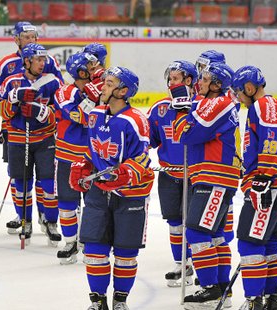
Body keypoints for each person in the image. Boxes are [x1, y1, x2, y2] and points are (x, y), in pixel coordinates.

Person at [69, 66, 154, 310]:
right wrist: (81, 165)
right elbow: (92, 148)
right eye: (105, 82)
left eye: (109, 83)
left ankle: (120, 300)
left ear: (123, 91)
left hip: (130, 194)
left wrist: (126, 173)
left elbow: (143, 157)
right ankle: (97, 300)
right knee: (95, 249)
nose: (103, 87)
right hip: (98, 190)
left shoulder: (136, 120)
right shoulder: (95, 114)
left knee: (126, 254)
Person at [232, 66, 277, 310]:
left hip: (268, 187)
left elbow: (273, 140)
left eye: (239, 92)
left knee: (249, 242)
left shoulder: (263, 106)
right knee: (267, 244)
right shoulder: (266, 106)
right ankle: (272, 299)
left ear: (250, 88)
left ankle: (254, 302)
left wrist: (262, 178)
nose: (238, 97)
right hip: (276, 185)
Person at [0, 21, 63, 237]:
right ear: (16, 39)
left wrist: (48, 114)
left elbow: (62, 97)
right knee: (19, 176)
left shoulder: (50, 66)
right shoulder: (5, 67)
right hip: (15, 130)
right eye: (26, 37)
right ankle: (23, 215)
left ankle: (45, 216)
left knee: (46, 177)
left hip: (44, 132)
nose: (31, 40)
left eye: (33, 36)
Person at [178, 62, 241, 309]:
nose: (199, 83)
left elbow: (190, 134)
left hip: (214, 176)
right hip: (208, 176)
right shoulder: (210, 102)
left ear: (217, 85)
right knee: (214, 236)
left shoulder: (220, 103)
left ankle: (210, 289)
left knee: (196, 232)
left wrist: (184, 116)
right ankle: (222, 288)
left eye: (204, 80)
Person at [146, 60, 198, 287]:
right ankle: (181, 263)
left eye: (176, 78)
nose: (171, 83)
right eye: (170, 78)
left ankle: (201, 264)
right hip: (169, 174)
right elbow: (148, 139)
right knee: (175, 223)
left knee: (195, 224)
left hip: (195, 174)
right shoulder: (159, 108)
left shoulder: (200, 106)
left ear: (189, 81)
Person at [53, 51, 102, 264]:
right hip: (67, 156)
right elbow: (81, 117)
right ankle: (71, 241)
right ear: (81, 71)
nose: (96, 71)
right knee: (66, 202)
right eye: (91, 68)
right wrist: (92, 98)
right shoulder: (64, 92)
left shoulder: (103, 90)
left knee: (93, 203)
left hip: (93, 156)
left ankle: (90, 241)